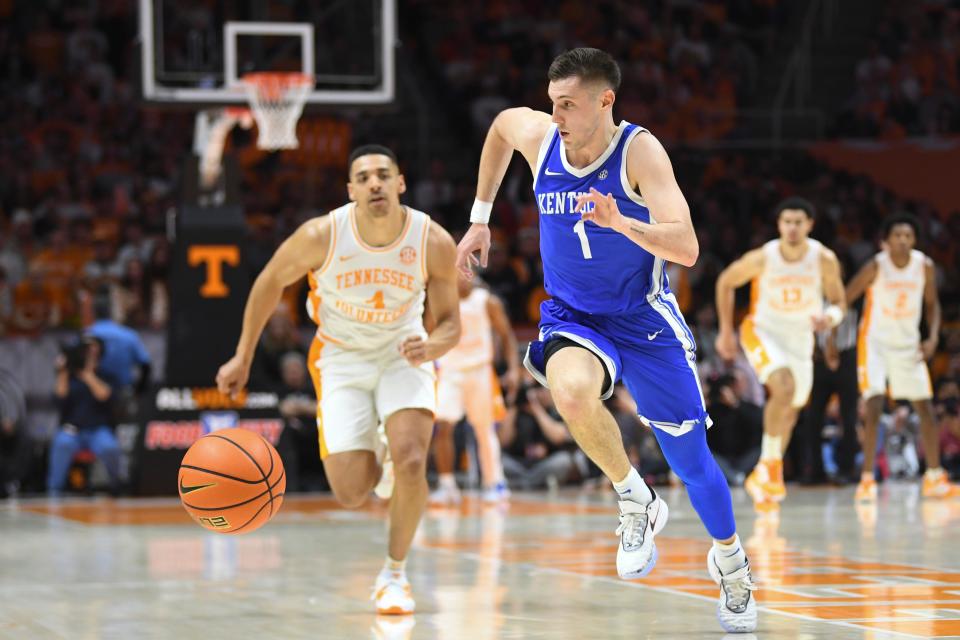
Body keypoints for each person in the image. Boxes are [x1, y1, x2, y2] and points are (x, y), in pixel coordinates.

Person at [456, 48, 756, 633]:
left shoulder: (640, 152)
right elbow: (498, 129)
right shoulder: (541, 137)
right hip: (574, 314)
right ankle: (634, 495)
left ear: (605, 101)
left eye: (568, 103)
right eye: (553, 103)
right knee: (569, 391)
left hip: (642, 319)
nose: (557, 113)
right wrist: (480, 216)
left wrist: (621, 221)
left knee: (692, 463)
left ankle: (731, 562)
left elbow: (687, 248)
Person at [216, 144, 461, 616]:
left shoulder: (432, 240)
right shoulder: (322, 234)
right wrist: (243, 355)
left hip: (402, 352)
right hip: (341, 359)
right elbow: (268, 282)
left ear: (400, 183)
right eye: (364, 177)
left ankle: (394, 574)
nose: (375, 183)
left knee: (413, 460)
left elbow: (450, 322)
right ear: (351, 191)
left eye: (383, 175)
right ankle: (380, 453)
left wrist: (434, 346)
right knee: (351, 493)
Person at [715, 197, 846, 507]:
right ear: (779, 225)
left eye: (798, 222)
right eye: (786, 222)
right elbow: (725, 282)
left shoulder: (824, 259)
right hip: (763, 331)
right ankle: (772, 467)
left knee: (789, 411)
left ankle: (763, 474)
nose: (792, 228)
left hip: (800, 338)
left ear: (810, 225)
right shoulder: (765, 257)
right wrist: (724, 331)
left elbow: (839, 302)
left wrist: (830, 319)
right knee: (783, 387)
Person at [844, 213, 958, 500]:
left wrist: (932, 337)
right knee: (874, 405)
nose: (903, 240)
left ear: (915, 240)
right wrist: (834, 337)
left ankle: (933, 476)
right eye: (897, 235)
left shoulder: (924, 266)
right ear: (886, 241)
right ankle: (867, 478)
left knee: (926, 410)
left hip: (908, 344)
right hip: (875, 343)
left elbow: (933, 306)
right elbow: (846, 297)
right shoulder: (876, 266)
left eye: (908, 235)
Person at [430, 274, 521, 505]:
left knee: (484, 429)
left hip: (480, 370)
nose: (463, 276)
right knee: (443, 427)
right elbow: (426, 334)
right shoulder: (442, 301)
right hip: (450, 371)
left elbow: (506, 335)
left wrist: (513, 369)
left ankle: (494, 483)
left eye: (467, 271)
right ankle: (447, 485)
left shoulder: (487, 301)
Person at [47, 336, 122, 496]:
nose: (90, 353)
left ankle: (116, 485)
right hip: (72, 430)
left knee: (109, 447)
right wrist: (63, 372)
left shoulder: (107, 375)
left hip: (99, 430)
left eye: (94, 349)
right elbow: (59, 399)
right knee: (62, 443)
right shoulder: (69, 376)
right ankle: (54, 490)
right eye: (87, 349)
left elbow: (105, 396)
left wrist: (88, 375)